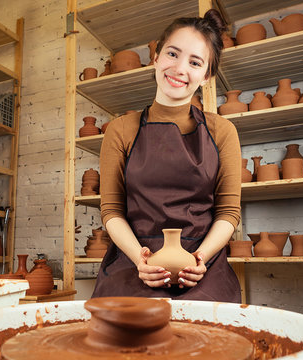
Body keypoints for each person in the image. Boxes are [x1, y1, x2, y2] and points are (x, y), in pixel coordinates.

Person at [91, 8, 242, 302]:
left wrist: (199, 258)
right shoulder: (121, 130)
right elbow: (111, 210)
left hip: (202, 264)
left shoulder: (222, 131)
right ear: (156, 57)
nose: (180, 68)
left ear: (207, 75)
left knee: (207, 338)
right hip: (133, 262)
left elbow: (228, 212)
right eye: (172, 54)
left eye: (195, 62)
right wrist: (140, 259)